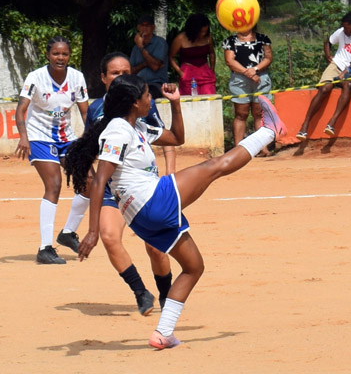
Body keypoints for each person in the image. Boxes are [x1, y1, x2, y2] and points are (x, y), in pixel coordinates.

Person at [64, 75, 286, 350]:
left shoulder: (138, 126)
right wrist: (93, 231)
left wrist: (177, 104)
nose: (151, 99)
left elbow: (178, 138)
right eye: (147, 95)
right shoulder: (118, 130)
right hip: (151, 200)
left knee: (194, 268)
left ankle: (163, 333)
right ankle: (269, 131)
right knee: (214, 166)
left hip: (142, 216)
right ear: (134, 102)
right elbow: (99, 180)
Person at [82, 52, 172, 314]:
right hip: (112, 188)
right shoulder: (96, 109)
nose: (121, 76)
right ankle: (141, 292)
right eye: (114, 73)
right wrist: (88, 173)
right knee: (110, 236)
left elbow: (167, 138)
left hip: (142, 186)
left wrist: (168, 173)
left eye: (125, 72)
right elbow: (90, 144)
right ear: (103, 77)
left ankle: (166, 294)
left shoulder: (143, 103)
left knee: (155, 247)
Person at [14, 36, 90, 264]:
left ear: (69, 56)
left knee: (90, 183)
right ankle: (45, 248)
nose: (60, 58)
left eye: (64, 54)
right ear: (48, 55)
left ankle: (67, 233)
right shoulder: (35, 77)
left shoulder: (77, 77)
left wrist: (90, 139)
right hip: (39, 137)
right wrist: (24, 137)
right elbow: (21, 109)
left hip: (67, 137)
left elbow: (86, 112)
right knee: (54, 184)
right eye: (56, 53)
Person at [295, 12, 351, 139]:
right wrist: (328, 55)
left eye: (347, 27)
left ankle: (332, 122)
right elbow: (328, 42)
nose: (344, 30)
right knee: (324, 88)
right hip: (337, 65)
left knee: (348, 85)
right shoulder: (340, 32)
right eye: (343, 27)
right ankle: (304, 125)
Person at [129, 14, 176, 174]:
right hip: (138, 85)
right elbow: (131, 70)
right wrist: (145, 61)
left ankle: (170, 171)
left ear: (153, 27)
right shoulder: (135, 47)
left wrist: (142, 49)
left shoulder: (159, 43)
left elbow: (156, 67)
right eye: (141, 25)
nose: (144, 29)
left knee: (158, 125)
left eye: (147, 25)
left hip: (156, 85)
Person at [222, 27, 273, 153]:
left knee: (259, 114)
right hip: (239, 80)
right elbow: (229, 60)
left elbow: (268, 57)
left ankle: (263, 148)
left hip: (261, 78)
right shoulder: (231, 40)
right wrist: (248, 73)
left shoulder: (263, 38)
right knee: (241, 114)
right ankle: (239, 149)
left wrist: (255, 69)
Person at [169, 13, 217, 95]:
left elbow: (211, 53)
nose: (203, 34)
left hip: (205, 71)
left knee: (209, 96)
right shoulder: (180, 38)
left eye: (205, 31)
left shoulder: (208, 37)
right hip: (188, 72)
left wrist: (212, 69)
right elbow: (171, 57)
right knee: (190, 100)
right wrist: (180, 72)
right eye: (201, 32)